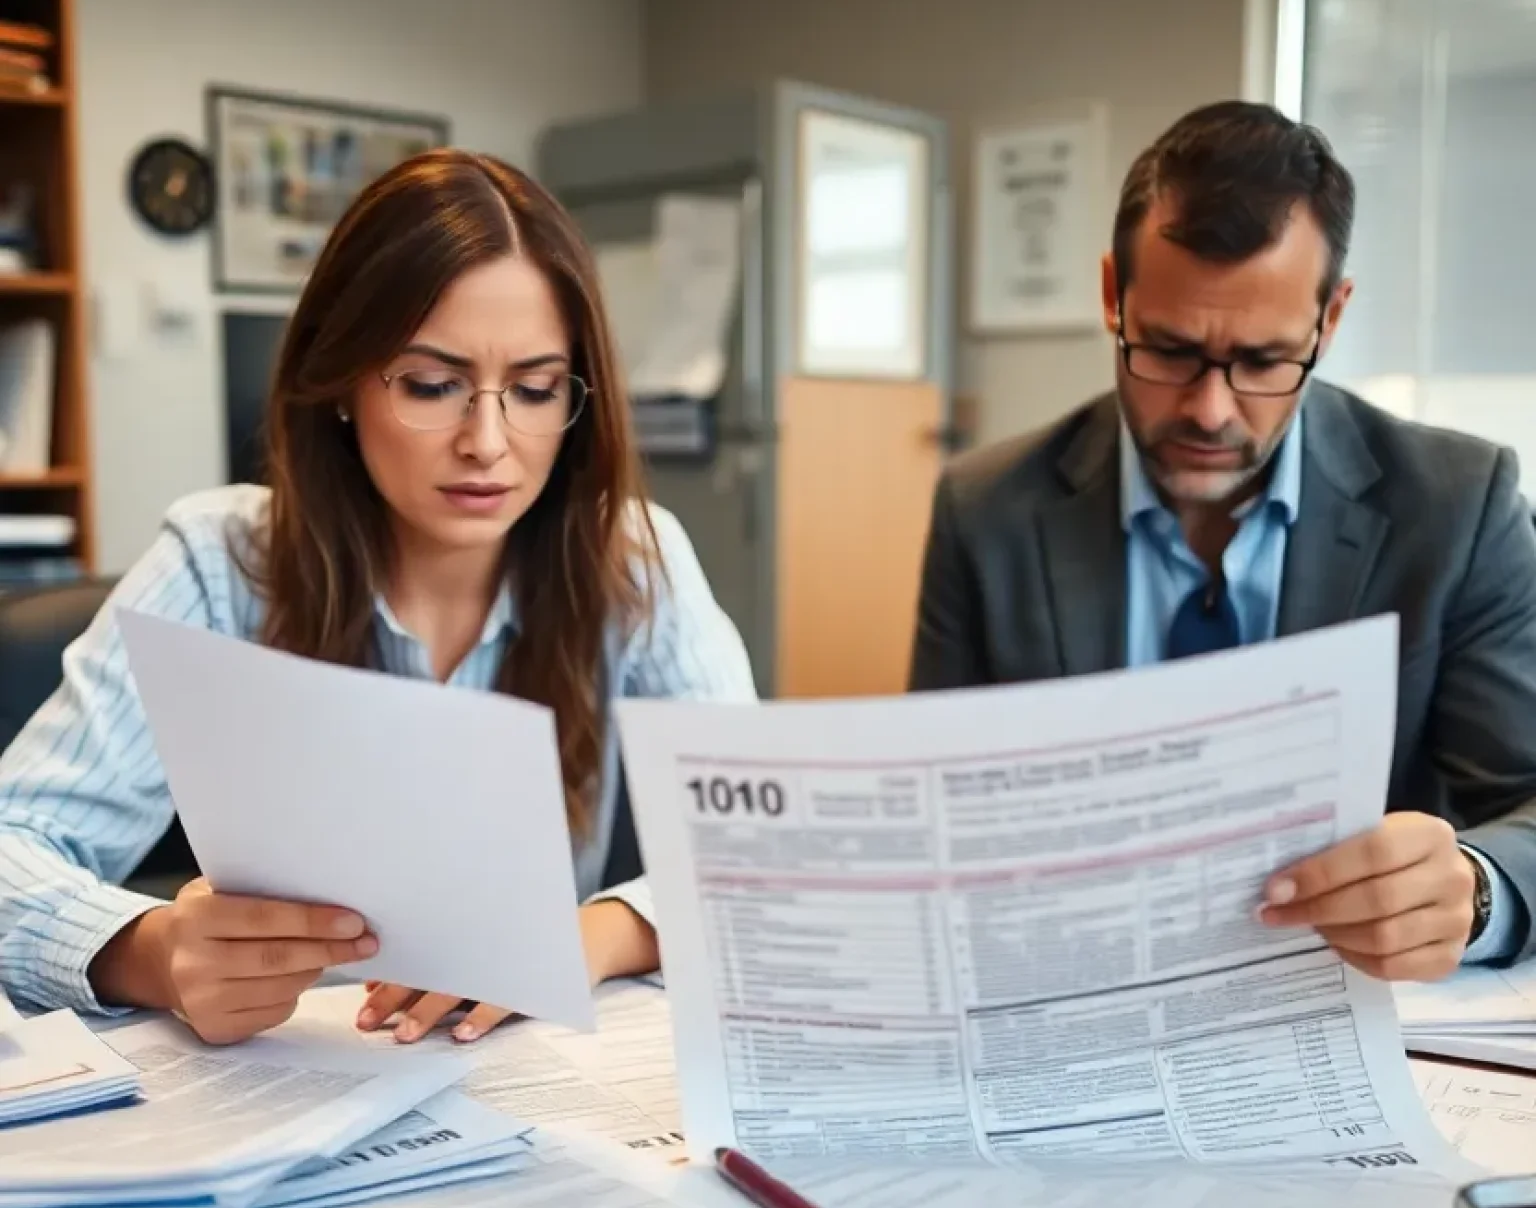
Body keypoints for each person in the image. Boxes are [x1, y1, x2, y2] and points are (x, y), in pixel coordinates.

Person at [0, 150, 754, 1045]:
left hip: (528, 1086)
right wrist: (150, 950)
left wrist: (585, 938)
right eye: (432, 385)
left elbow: (754, 844)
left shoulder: (632, 557)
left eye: (536, 389)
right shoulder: (219, 561)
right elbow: (15, 845)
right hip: (289, 1080)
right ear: (344, 385)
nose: (488, 440)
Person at [909, 100, 1536, 983]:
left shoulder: (1459, 507)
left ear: (1331, 319)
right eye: (1166, 350)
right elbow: (934, 816)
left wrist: (1472, 890)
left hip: (1334, 1001)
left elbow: (1527, 807)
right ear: (1110, 297)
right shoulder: (987, 511)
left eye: (1264, 361)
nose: (1210, 410)